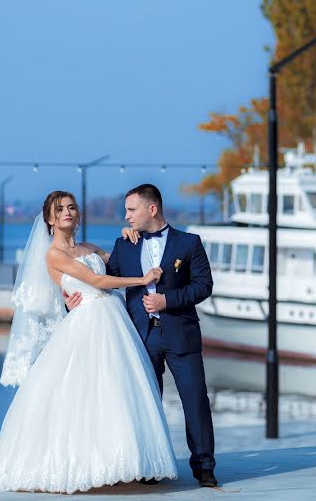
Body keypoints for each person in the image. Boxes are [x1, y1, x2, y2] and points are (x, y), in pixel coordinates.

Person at [0, 191, 177, 494]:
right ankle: (82, 465)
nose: (67, 212)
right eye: (60, 209)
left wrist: (128, 237)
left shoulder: (88, 247)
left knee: (116, 390)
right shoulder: (54, 254)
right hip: (86, 322)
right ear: (50, 219)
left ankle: (123, 462)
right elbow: (97, 282)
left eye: (71, 207)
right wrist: (141, 281)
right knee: (81, 393)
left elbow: (121, 263)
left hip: (113, 320)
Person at [101, 184, 218, 488]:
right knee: (146, 403)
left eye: (131, 209)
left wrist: (169, 300)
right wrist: (72, 298)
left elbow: (204, 286)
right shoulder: (124, 244)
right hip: (141, 337)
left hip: (182, 335)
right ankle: (148, 466)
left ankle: (204, 466)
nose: (126, 216)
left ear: (151, 209)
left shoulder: (190, 243)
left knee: (195, 401)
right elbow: (106, 280)